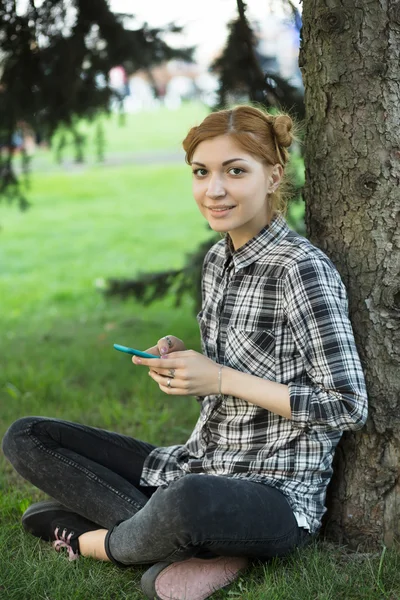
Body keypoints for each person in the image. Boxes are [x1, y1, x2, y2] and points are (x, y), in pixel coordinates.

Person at [2, 105, 368, 600]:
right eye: (202, 172)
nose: (214, 190)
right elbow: (229, 380)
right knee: (28, 436)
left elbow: (346, 405)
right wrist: (183, 363)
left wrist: (218, 377)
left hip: (274, 494)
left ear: (273, 175)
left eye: (235, 171)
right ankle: (189, 546)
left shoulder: (301, 270)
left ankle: (107, 542)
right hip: (197, 464)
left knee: (186, 502)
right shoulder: (220, 258)